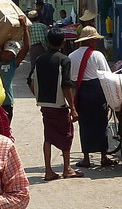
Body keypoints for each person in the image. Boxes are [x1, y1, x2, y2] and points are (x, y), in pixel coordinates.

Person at [28, 28, 80, 180]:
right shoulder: (64, 60)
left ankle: (48, 171)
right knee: (66, 135)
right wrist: (73, 108)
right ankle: (67, 168)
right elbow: (66, 85)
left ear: (48, 42)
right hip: (59, 106)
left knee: (48, 137)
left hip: (45, 105)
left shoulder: (39, 59)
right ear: (63, 42)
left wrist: (39, 95)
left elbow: (29, 81)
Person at [67, 26, 116, 169]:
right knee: (101, 124)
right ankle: (103, 156)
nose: (97, 42)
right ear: (91, 40)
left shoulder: (72, 56)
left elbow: (70, 79)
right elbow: (107, 75)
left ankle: (86, 158)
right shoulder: (97, 55)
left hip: (81, 91)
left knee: (85, 124)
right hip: (97, 91)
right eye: (95, 40)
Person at [0, 22, 31, 125]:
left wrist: (25, 27)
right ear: (2, 50)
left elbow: (26, 48)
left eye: (12, 55)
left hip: (7, 103)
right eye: (7, 53)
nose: (9, 57)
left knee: (5, 129)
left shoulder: (13, 63)